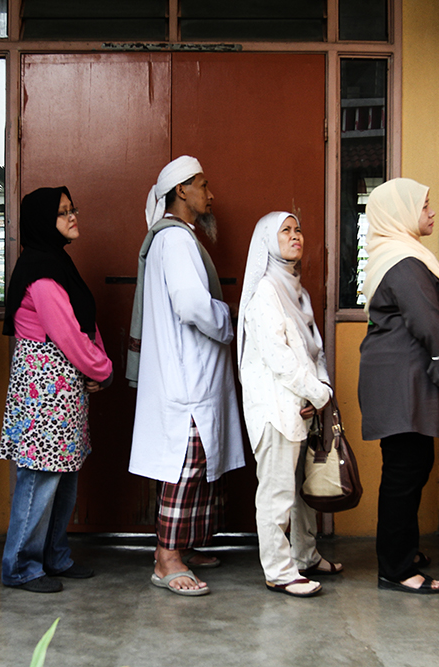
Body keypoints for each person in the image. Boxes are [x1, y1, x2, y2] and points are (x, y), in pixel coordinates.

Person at [126, 155, 246, 595]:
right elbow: (193, 306)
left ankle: (185, 545)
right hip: (186, 378)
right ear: (181, 191)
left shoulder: (176, 240)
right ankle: (166, 558)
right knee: (186, 464)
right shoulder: (175, 241)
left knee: (198, 461)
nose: (210, 195)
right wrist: (229, 318)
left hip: (190, 374)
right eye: (203, 185)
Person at [0, 187, 113, 593]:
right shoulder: (41, 272)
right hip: (44, 391)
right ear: (44, 221)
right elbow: (66, 333)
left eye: (72, 208)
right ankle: (21, 567)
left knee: (64, 476)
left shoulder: (57, 263)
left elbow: (84, 321)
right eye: (63, 212)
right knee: (40, 477)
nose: (72, 216)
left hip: (64, 389)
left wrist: (95, 365)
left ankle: (54, 557)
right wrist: (102, 367)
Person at [357, 179, 439, 595]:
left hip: (403, 375)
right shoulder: (402, 261)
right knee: (405, 470)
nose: (431, 213)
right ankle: (395, 567)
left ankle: (401, 549)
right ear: (400, 212)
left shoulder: (401, 255)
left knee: (413, 465)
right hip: (400, 377)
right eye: (424, 206)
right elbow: (427, 320)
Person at [237, 211, 339, 598]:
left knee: (301, 493)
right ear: (267, 240)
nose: (296, 236)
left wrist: (320, 387)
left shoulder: (297, 290)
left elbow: (314, 350)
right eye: (285, 231)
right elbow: (279, 359)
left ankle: (306, 555)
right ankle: (279, 570)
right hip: (276, 409)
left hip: (302, 404)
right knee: (277, 492)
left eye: (298, 229)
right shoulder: (265, 292)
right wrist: (316, 393)